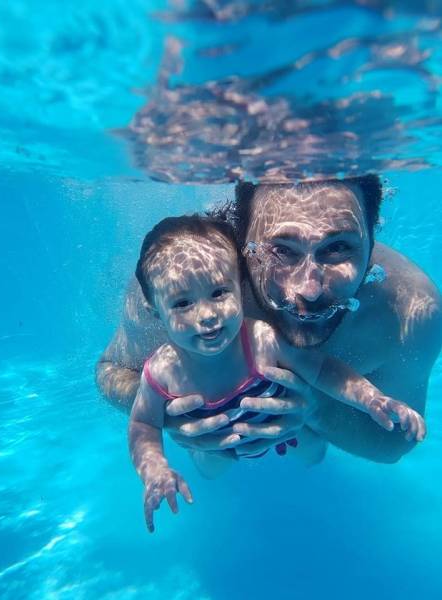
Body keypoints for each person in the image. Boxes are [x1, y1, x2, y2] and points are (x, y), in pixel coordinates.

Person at [96, 174, 441, 464]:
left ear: (371, 240)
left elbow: (395, 443)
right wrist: (170, 413)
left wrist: (312, 409)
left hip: (314, 430)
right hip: (216, 424)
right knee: (210, 463)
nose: (309, 289)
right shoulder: (183, 286)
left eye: (337, 248)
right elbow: (111, 369)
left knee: (311, 454)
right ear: (242, 243)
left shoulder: (409, 309)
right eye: (282, 250)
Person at [129, 214, 425, 532]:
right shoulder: (162, 371)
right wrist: (155, 470)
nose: (207, 315)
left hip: (285, 428)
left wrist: (372, 399)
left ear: (240, 287)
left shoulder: (260, 339)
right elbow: (143, 423)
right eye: (183, 303)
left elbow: (321, 369)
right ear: (154, 310)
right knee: (210, 468)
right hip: (219, 442)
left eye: (218, 293)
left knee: (313, 454)